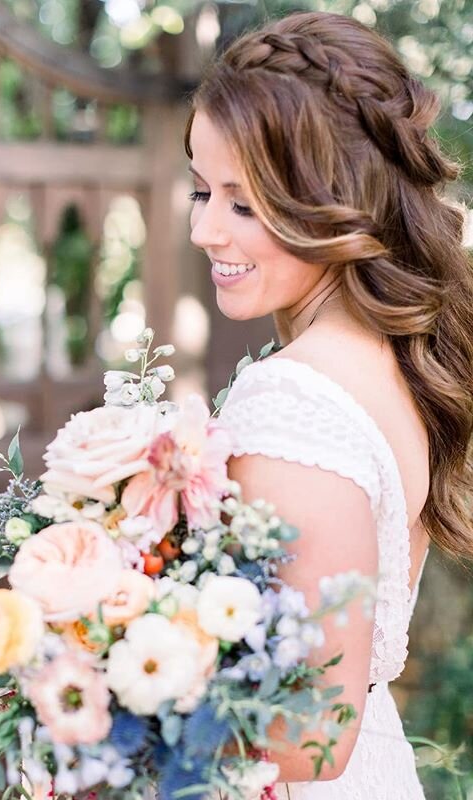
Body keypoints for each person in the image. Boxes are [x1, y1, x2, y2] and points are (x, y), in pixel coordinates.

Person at [184, 10, 473, 799]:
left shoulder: (291, 401)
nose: (205, 228)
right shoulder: (392, 364)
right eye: (202, 190)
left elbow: (308, 735)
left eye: (245, 204)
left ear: (332, 203)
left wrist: (107, 670)